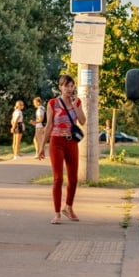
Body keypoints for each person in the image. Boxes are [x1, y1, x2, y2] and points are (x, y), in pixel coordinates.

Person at [38, 74, 86, 224]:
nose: (69, 89)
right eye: (66, 86)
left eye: (71, 86)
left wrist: (76, 106)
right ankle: (57, 213)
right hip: (56, 142)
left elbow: (83, 121)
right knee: (58, 178)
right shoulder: (53, 103)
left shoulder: (77, 101)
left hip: (71, 143)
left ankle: (69, 208)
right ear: (60, 87)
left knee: (73, 178)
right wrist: (41, 147)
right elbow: (49, 126)